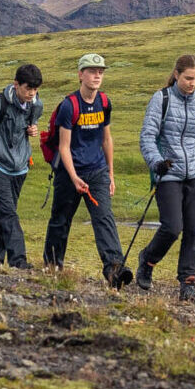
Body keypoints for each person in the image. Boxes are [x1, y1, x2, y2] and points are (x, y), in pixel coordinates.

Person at [135, 53, 195, 302]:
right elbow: (147, 137)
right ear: (176, 75)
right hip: (168, 173)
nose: (192, 83)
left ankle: (188, 283)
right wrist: (156, 163)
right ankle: (148, 260)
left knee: (194, 231)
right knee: (173, 227)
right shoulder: (160, 99)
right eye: (188, 78)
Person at [43, 53, 132, 287]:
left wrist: (111, 174)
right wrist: (73, 178)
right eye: (92, 71)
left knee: (104, 218)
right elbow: (64, 147)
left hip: (98, 171)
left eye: (101, 71)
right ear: (80, 75)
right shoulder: (68, 105)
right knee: (61, 220)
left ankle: (114, 270)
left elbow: (107, 140)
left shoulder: (104, 102)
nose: (97, 75)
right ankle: (52, 266)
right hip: (69, 172)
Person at [0, 63, 45, 269]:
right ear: (16, 84)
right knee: (9, 213)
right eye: (28, 88)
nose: (32, 93)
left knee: (4, 213)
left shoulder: (37, 105)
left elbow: (30, 125)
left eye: (35, 89)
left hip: (20, 167)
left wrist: (32, 130)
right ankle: (18, 260)